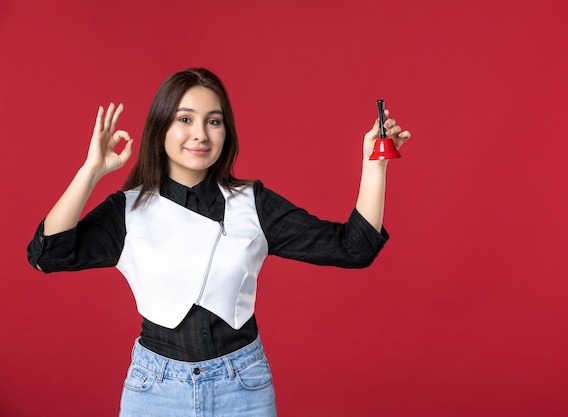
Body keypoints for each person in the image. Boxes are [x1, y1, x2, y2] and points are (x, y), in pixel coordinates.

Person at [26, 67, 410, 417]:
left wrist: (374, 166)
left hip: (243, 388)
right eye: (185, 119)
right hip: (155, 391)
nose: (201, 134)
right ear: (161, 128)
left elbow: (354, 248)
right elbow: (47, 254)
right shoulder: (127, 210)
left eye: (214, 121)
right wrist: (91, 171)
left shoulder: (253, 203)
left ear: (226, 133)